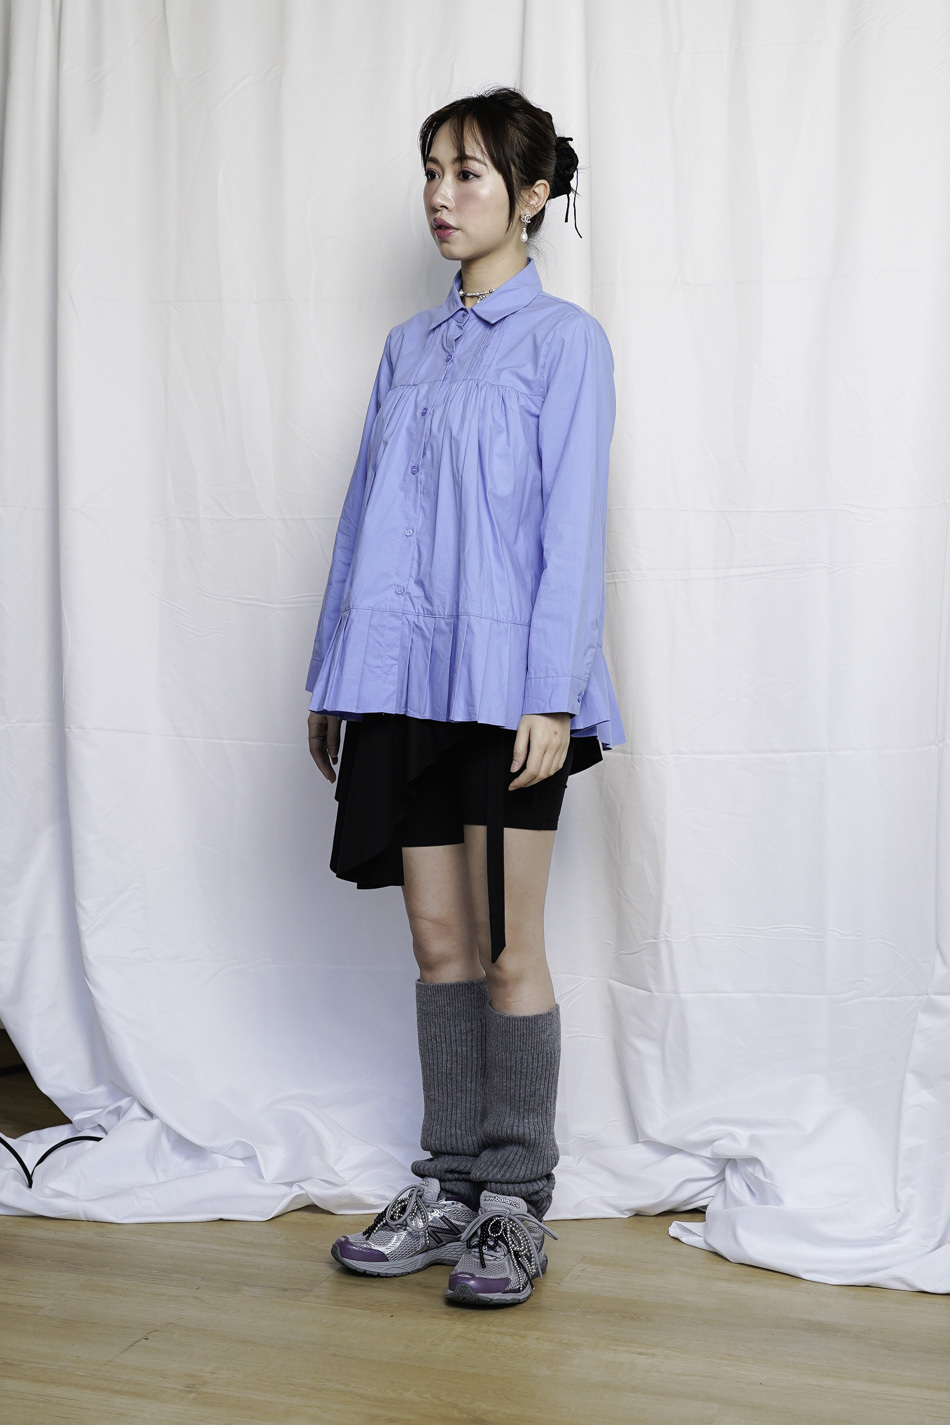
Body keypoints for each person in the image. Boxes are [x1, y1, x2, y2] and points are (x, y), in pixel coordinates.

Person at [305, 85, 625, 1309]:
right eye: (432, 171)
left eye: (470, 174)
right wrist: (335, 675)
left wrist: (551, 694)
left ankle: (511, 1201)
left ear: (531, 195)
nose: (441, 196)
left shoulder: (564, 344)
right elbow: (361, 523)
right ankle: (443, 1187)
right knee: (436, 943)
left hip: (506, 692)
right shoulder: (407, 349)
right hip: (399, 683)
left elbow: (571, 530)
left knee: (504, 950)